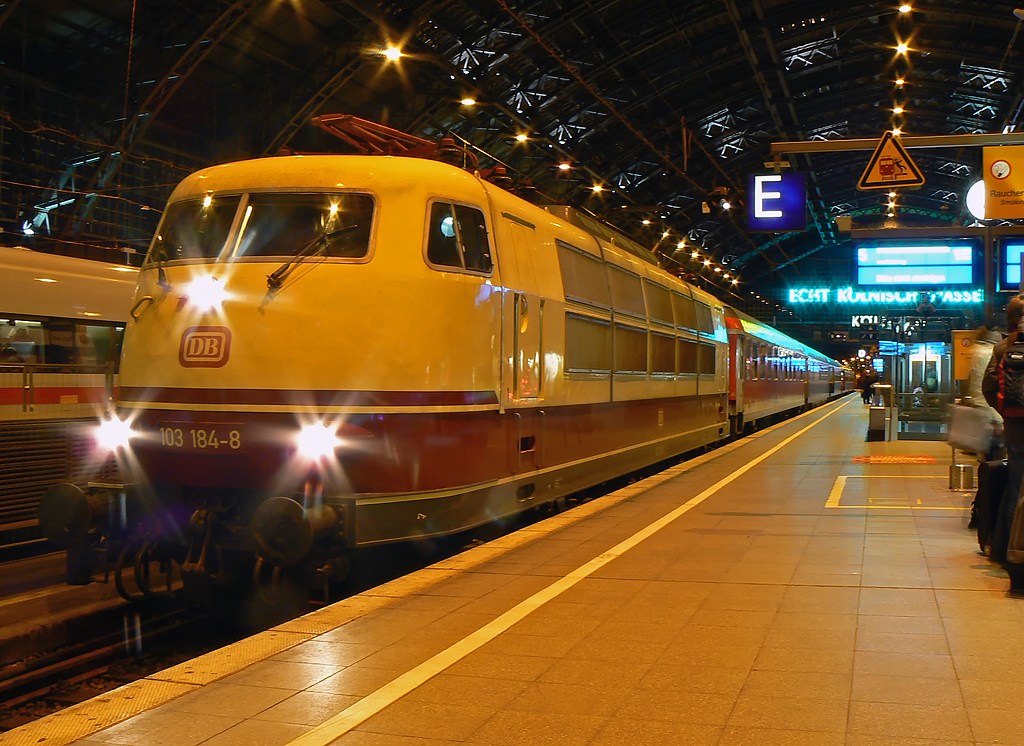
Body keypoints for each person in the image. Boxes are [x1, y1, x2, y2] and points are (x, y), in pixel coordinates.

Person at [982, 295, 1024, 565]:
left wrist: (1006, 415)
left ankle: (1013, 554)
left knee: (1017, 488)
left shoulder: (1002, 348)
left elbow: (988, 389)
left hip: (1016, 427)